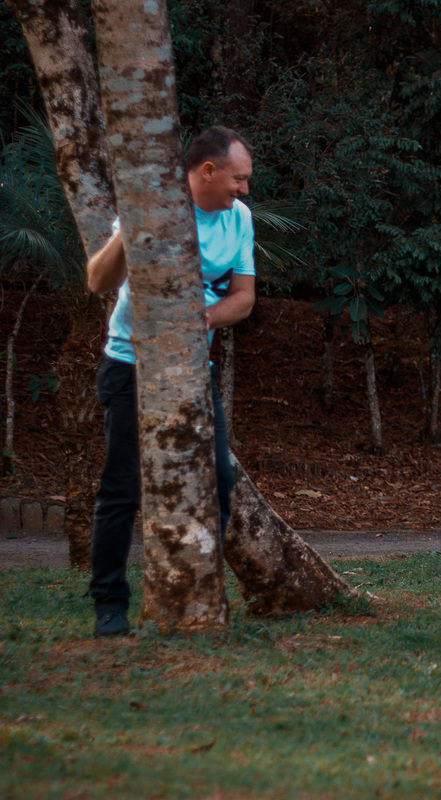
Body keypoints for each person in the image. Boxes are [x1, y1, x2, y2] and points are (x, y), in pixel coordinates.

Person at [87, 126, 257, 637]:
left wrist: (202, 318)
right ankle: (109, 604)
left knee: (219, 482)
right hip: (129, 366)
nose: (244, 189)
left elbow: (243, 298)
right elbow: (98, 281)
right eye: (238, 178)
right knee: (121, 490)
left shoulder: (239, 218)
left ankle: (196, 590)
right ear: (207, 170)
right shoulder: (155, 207)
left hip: (193, 369)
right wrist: (130, 227)